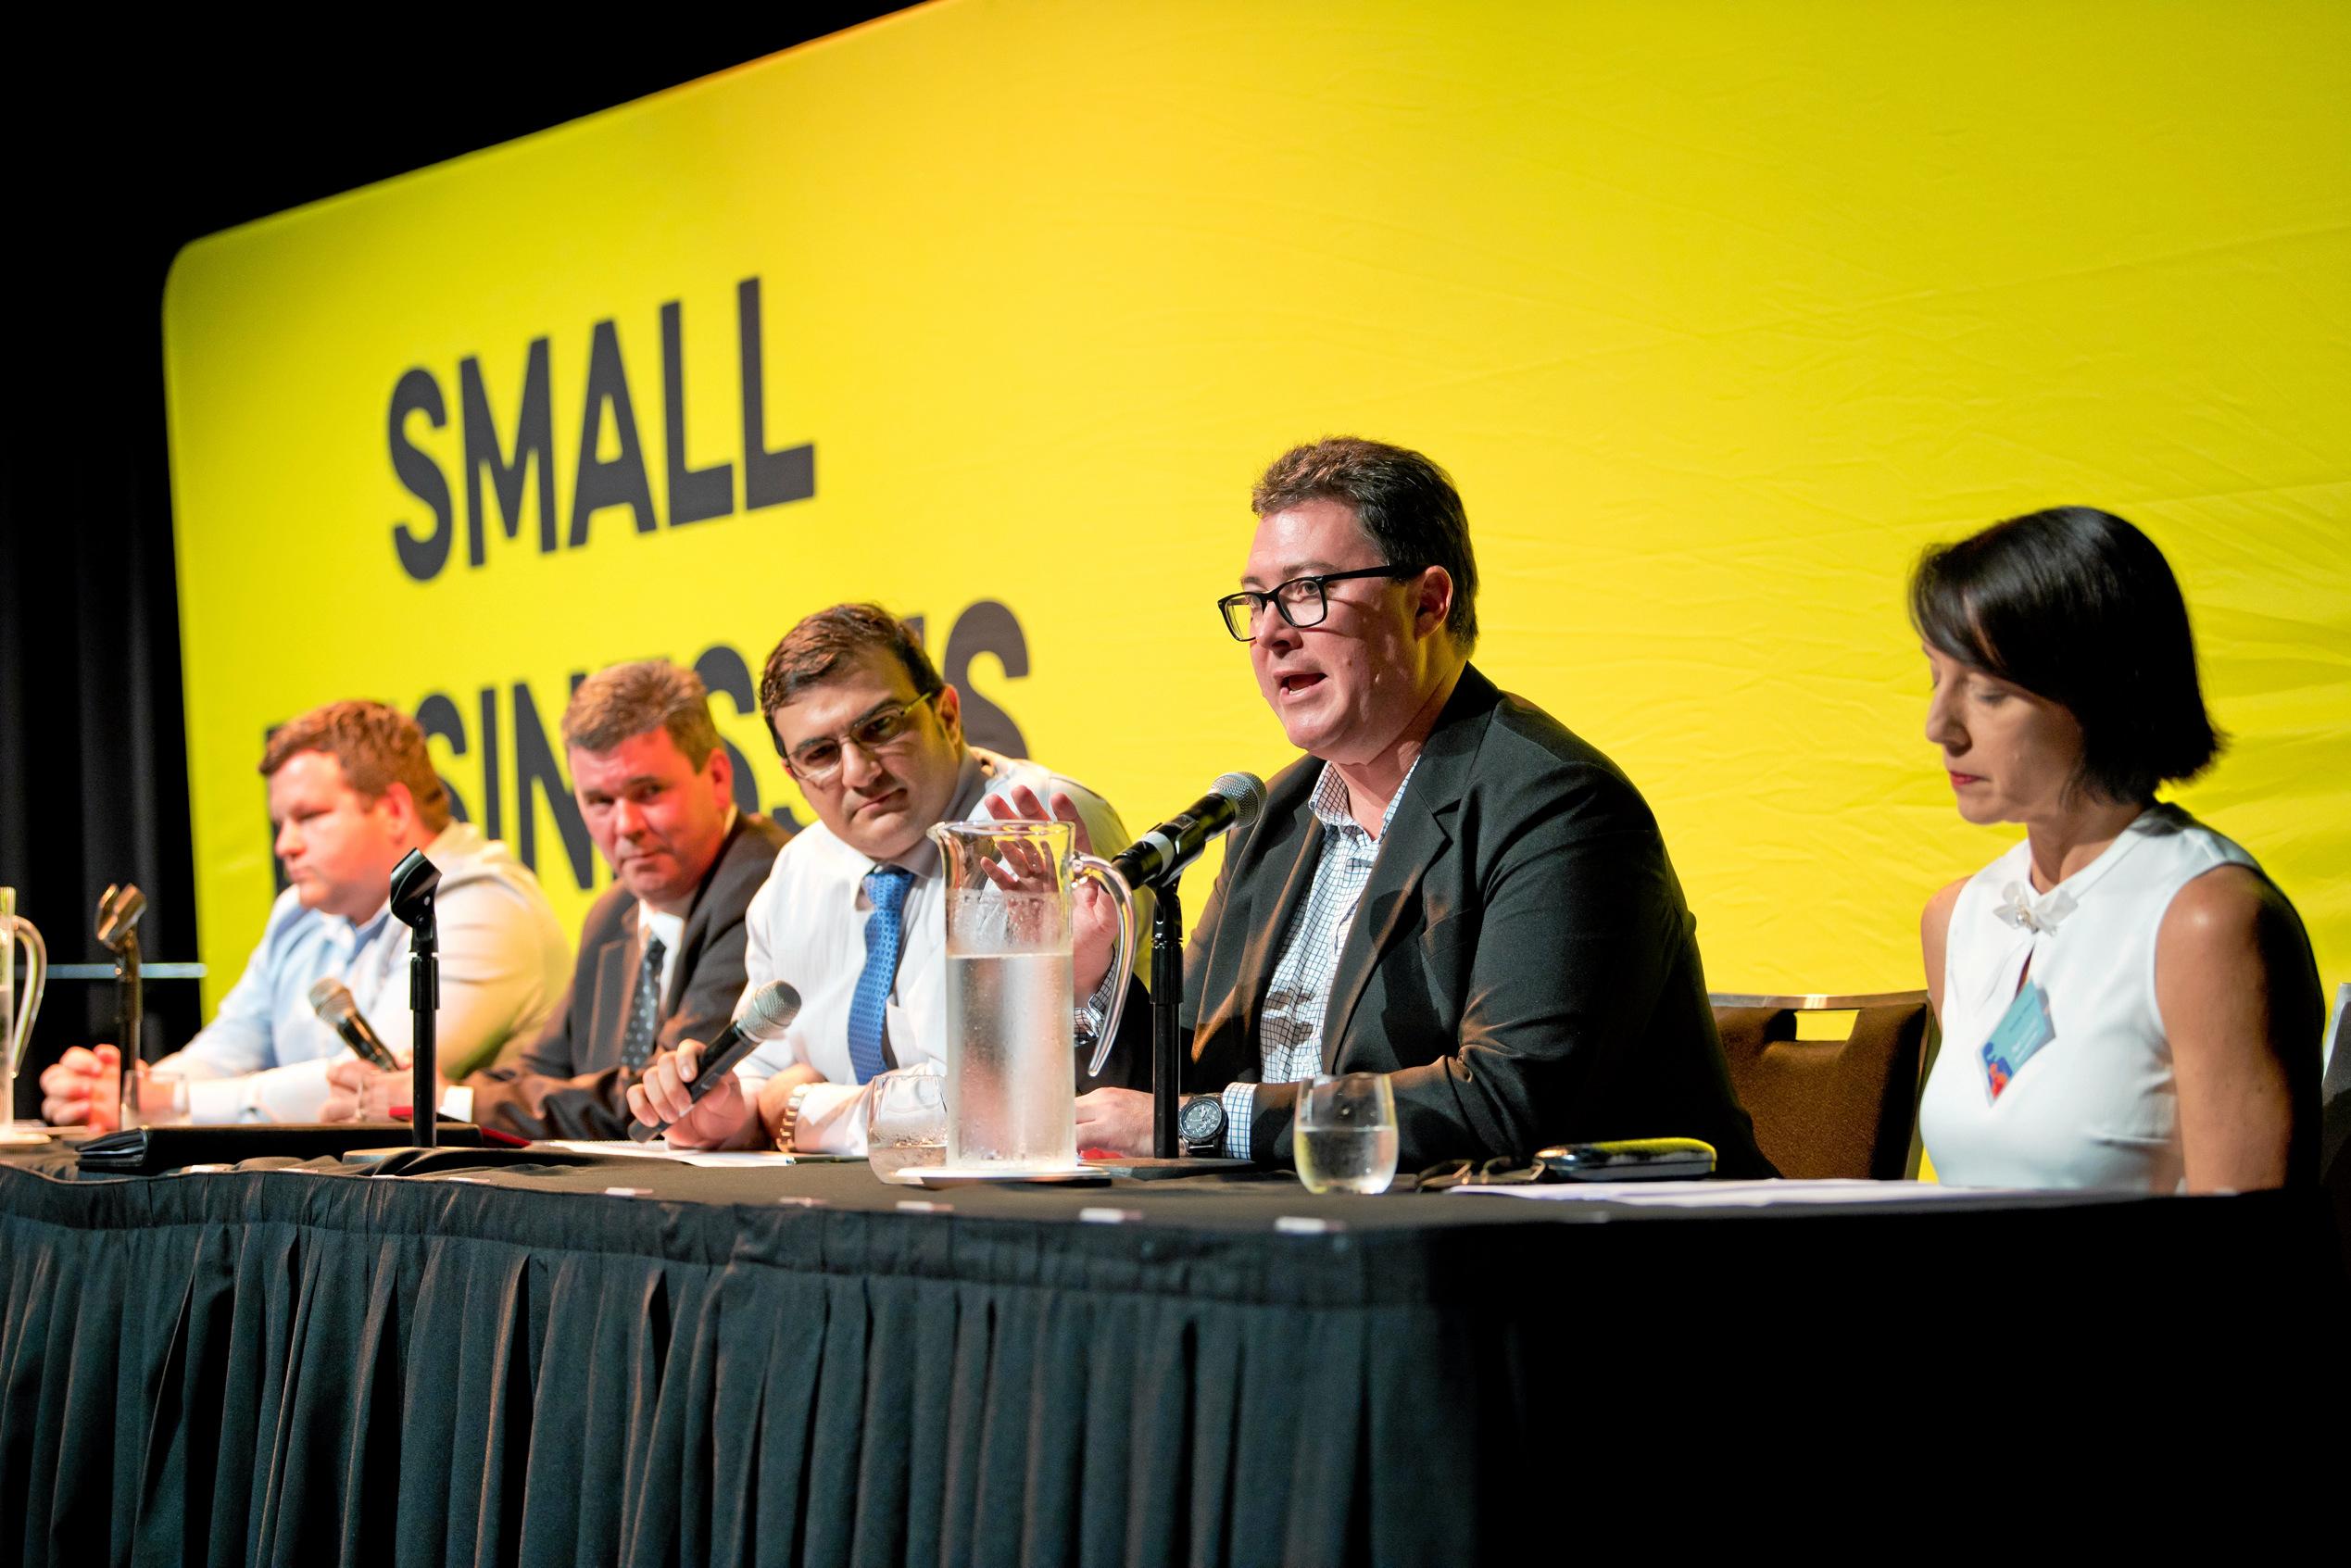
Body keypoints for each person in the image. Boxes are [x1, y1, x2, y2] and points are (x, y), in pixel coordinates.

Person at [1068, 437, 1769, 1174]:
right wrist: (1092, 976)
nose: (1272, 631)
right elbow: (1181, 1094)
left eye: (1307, 591)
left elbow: (1510, 1099)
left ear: (1429, 602)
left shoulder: (1558, 806)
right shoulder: (1272, 818)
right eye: (1255, 600)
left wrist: (1215, 1120)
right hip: (1308, 1247)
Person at [629, 604, 1141, 1152]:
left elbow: (1006, 1107)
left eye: (880, 728)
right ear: (793, 775)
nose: (859, 772)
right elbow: (761, 1077)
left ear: (946, 715)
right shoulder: (797, 873)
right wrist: (721, 1116)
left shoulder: (1038, 832)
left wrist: (800, 1110)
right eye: (820, 753)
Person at [1911, 507, 2321, 1191]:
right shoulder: (1959, 917)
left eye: (1988, 691)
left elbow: (2260, 1253)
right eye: (1934, 677)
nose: (1938, 726)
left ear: (2097, 692)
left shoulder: (2208, 922)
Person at [39, 700, 571, 1126]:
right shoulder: (299, 912)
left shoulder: (483, 904)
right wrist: (124, 1089)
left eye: (309, 817)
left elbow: (368, 1083)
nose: (285, 846)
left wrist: (171, 1101)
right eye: (279, 824)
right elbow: (230, 1047)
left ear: (393, 810)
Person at [320, 661, 792, 1139]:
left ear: (716, 778)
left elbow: (662, 1097)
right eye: (600, 802)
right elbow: (538, 1068)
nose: (625, 825)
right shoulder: (615, 913)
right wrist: (423, 1089)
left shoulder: (768, 884)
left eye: (648, 792)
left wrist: (454, 1102)